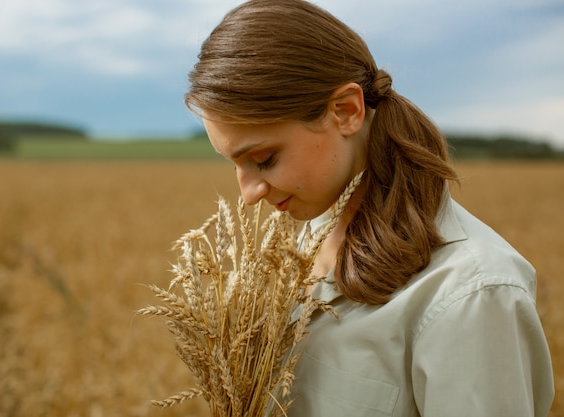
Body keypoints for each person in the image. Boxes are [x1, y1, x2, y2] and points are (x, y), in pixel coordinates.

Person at [184, 0, 555, 415]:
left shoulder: (473, 297)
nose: (248, 194)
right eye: (233, 162)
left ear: (346, 111)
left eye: (265, 158)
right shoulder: (291, 255)